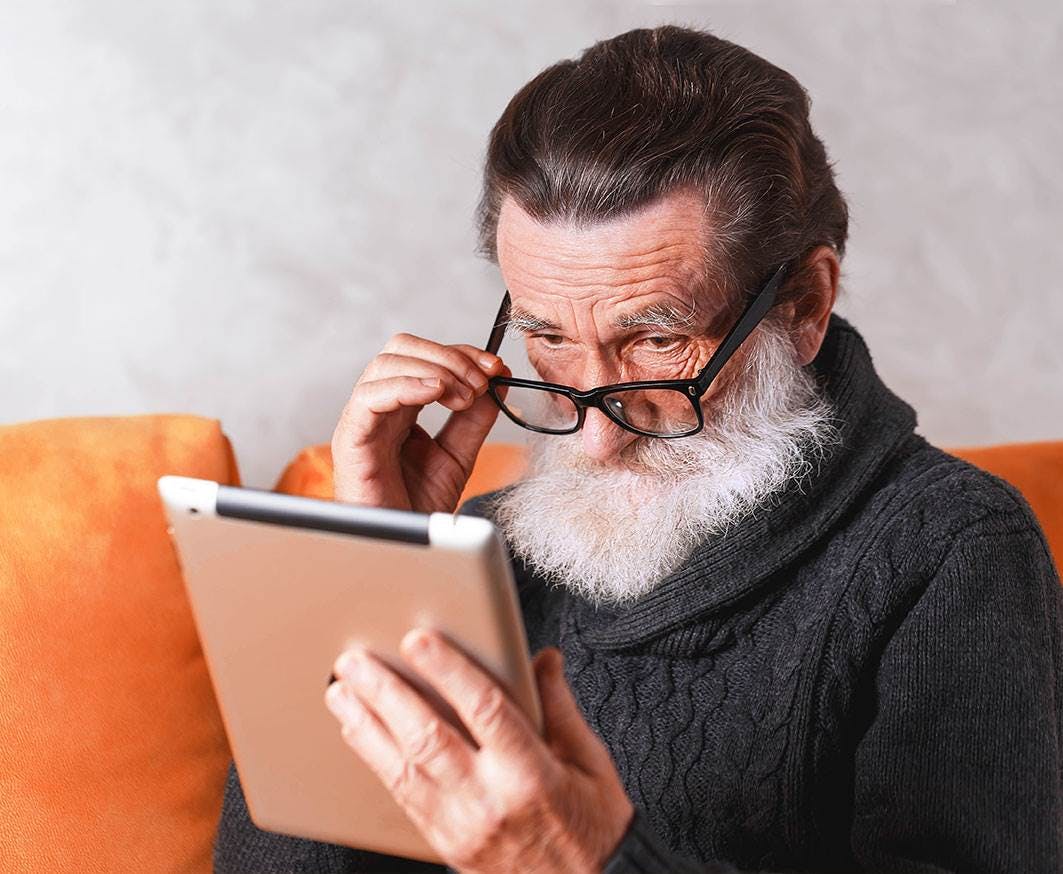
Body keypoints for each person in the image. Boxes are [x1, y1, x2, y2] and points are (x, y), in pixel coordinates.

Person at [213, 24, 1063, 874]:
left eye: (656, 344)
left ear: (803, 303)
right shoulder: (487, 548)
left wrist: (581, 860)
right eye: (547, 337)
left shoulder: (951, 550)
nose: (596, 436)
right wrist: (373, 575)